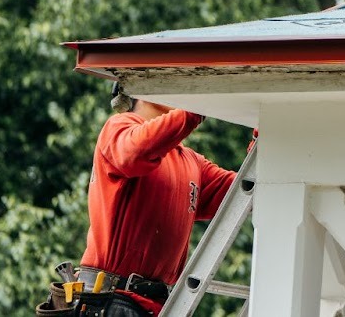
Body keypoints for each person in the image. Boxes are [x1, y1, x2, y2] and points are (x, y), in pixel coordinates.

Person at [74, 85, 237, 305]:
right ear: (140, 86)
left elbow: (244, 188)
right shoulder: (118, 128)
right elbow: (137, 150)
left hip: (157, 305)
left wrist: (267, 137)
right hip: (111, 299)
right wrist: (195, 109)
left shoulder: (190, 161)